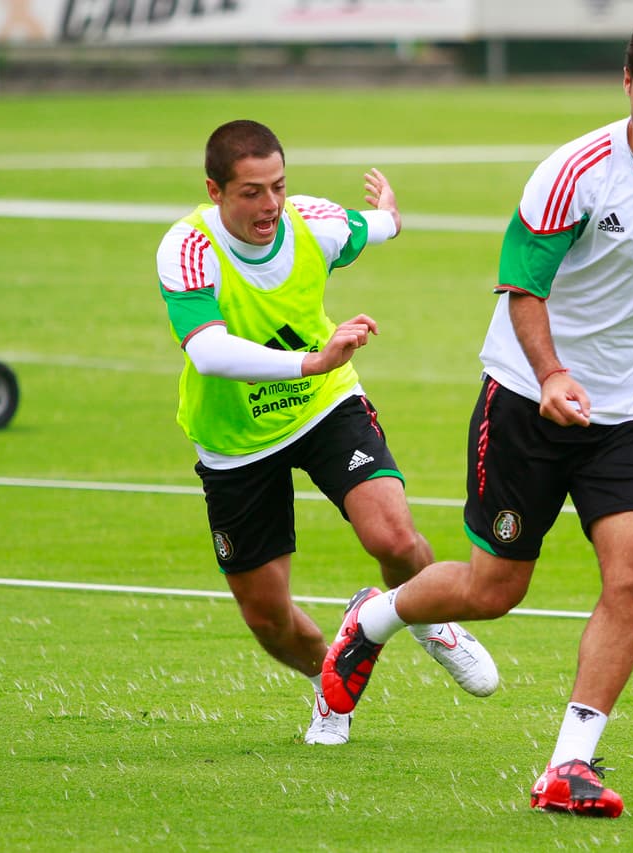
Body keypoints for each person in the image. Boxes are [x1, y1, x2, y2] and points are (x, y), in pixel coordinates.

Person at [322, 12, 633, 815]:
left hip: (631, 409)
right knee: (493, 589)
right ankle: (374, 618)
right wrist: (550, 375)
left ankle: (569, 765)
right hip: (525, 398)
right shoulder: (575, 171)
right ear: (626, 82)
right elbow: (523, 285)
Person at [155, 119, 498, 747]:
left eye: (278, 187)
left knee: (393, 535)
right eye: (251, 192)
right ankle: (332, 682)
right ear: (214, 190)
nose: (270, 206)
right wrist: (310, 360)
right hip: (236, 437)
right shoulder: (186, 249)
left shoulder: (315, 222)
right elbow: (207, 351)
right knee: (267, 618)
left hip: (324, 404)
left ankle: (431, 622)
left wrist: (389, 214)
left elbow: (376, 226)